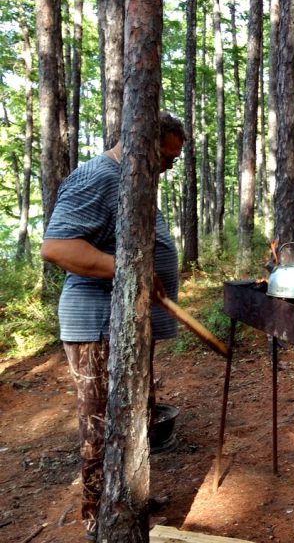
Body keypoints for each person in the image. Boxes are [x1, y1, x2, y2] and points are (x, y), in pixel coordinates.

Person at [40, 111, 185, 541]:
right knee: (103, 425)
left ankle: (127, 497)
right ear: (140, 143)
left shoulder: (133, 180)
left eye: (173, 159)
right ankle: (100, 516)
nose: (168, 166)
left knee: (133, 418)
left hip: (126, 327)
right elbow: (58, 247)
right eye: (165, 156)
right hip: (98, 325)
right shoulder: (99, 177)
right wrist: (132, 268)